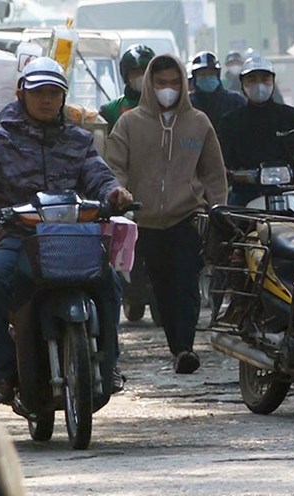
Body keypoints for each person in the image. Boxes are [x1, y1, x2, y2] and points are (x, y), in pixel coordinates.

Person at [0, 57, 134, 404]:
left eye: (54, 93)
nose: (46, 99)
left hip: (73, 237)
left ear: (63, 98)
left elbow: (99, 177)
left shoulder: (79, 140)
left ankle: (110, 363)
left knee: (111, 283)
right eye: (39, 91)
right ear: (21, 93)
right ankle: (4, 373)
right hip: (19, 237)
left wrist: (114, 193)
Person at [106, 54, 228, 374]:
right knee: (161, 285)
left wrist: (217, 208)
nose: (169, 89)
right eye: (162, 83)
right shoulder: (129, 123)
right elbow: (114, 166)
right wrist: (119, 193)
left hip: (186, 215)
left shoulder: (198, 123)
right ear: (150, 84)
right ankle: (177, 345)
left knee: (186, 282)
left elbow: (214, 172)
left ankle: (185, 348)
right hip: (144, 219)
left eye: (175, 83)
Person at [217, 56, 294, 206]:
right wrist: (223, 169)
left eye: (265, 79)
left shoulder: (291, 116)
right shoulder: (230, 122)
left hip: (290, 192)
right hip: (245, 195)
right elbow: (219, 156)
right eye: (252, 79)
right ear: (242, 84)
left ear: (272, 81)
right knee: (223, 225)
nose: (259, 85)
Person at [99, 44, 155, 132]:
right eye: (135, 72)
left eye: (145, 71)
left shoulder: (165, 106)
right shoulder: (111, 110)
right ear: (126, 76)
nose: (142, 76)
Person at [189, 51, 246, 128]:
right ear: (195, 78)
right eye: (202, 74)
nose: (207, 78)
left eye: (211, 74)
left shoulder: (235, 101)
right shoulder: (188, 103)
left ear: (218, 75)